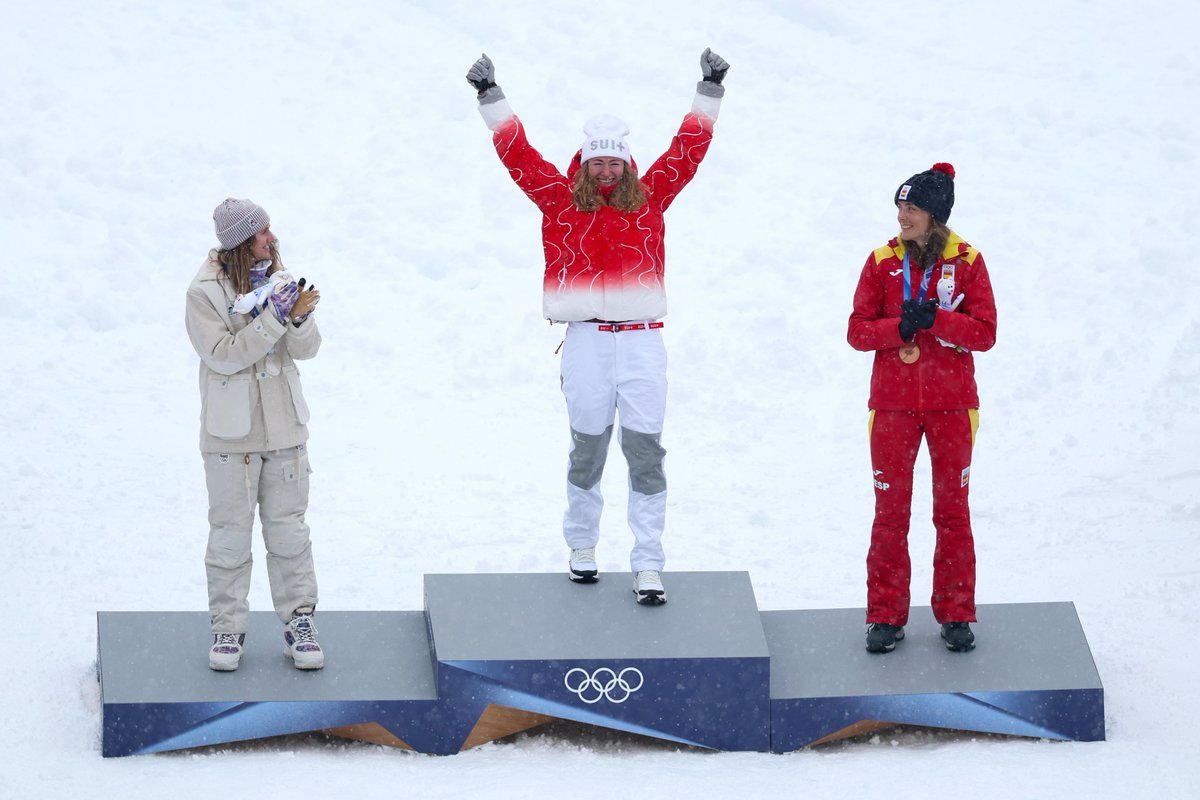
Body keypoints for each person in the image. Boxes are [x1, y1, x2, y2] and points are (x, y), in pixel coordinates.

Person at [465, 49, 730, 605]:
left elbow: (688, 152)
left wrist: (709, 88)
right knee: (587, 449)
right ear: (584, 164)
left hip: (641, 345)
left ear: (627, 166)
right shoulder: (559, 203)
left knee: (645, 451)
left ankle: (648, 562)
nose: (607, 172)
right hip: (585, 341)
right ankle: (582, 547)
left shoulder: (651, 199)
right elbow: (519, 157)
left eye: (615, 164)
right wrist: (491, 96)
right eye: (597, 164)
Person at [847, 164, 997, 653]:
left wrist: (939, 320)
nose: (901, 216)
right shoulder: (881, 261)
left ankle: (956, 614)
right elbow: (857, 332)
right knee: (890, 514)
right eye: (900, 207)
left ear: (935, 215)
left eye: (910, 208)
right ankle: (885, 617)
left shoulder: (968, 261)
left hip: (953, 407)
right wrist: (901, 330)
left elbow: (985, 334)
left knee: (952, 514)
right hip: (891, 407)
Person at [185, 198, 326, 670]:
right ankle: (227, 629)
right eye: (262, 232)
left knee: (290, 534)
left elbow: (307, 350)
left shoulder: (279, 277)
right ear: (242, 242)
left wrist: (298, 319)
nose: (272, 238)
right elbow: (223, 355)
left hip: (285, 429)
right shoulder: (203, 293)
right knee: (229, 536)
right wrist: (272, 320)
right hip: (231, 440)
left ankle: (299, 622)